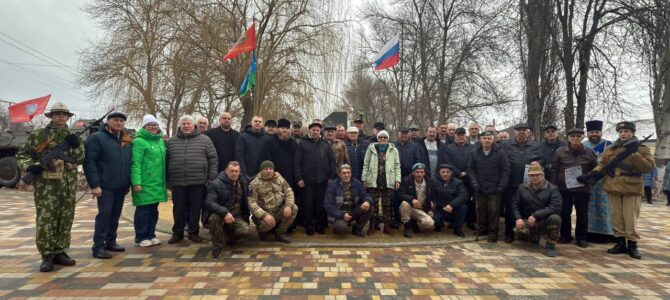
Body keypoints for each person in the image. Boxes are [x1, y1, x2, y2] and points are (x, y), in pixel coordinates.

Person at [16, 102, 84, 272]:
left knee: (66, 217)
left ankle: (60, 251)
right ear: (51, 116)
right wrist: (30, 166)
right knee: (46, 219)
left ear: (68, 117)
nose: (61, 116)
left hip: (67, 184)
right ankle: (46, 254)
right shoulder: (39, 135)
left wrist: (75, 146)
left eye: (64, 114)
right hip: (46, 185)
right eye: (57, 113)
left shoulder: (73, 136)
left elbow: (80, 158)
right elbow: (22, 154)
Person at [578, 121, 655, 259]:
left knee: (630, 217)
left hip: (631, 186)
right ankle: (620, 242)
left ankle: (632, 244)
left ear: (632, 133)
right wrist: (591, 174)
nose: (623, 134)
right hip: (613, 185)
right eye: (621, 132)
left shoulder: (641, 148)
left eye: (626, 131)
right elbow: (603, 164)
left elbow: (648, 168)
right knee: (616, 217)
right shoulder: (612, 148)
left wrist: (634, 154)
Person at [84, 111, 132, 259]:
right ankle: (98, 246)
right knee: (104, 215)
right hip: (105, 186)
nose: (119, 123)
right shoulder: (97, 138)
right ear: (108, 121)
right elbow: (89, 162)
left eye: (122, 121)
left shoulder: (125, 139)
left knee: (115, 215)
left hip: (121, 185)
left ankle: (111, 241)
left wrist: (128, 182)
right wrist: (95, 184)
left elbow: (128, 162)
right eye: (116, 120)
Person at [166, 115, 218, 244]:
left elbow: (213, 159)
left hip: (198, 181)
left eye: (188, 123)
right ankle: (177, 233)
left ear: (193, 125)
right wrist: (168, 180)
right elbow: (166, 162)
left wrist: (211, 177)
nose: (186, 126)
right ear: (180, 126)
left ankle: (193, 232)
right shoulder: (172, 141)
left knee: (196, 209)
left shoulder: (205, 140)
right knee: (178, 209)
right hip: (178, 181)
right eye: (183, 124)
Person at [549, 128, 597, 248]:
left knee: (582, 213)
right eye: (573, 136)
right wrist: (554, 186)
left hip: (583, 189)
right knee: (565, 212)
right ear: (568, 138)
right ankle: (565, 235)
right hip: (564, 188)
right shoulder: (560, 152)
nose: (575, 138)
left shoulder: (589, 152)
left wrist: (588, 180)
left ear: (582, 137)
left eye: (578, 136)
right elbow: (554, 169)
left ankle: (581, 238)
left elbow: (596, 171)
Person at [500, 123, 542, 243]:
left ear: (528, 132)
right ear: (515, 132)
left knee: (528, 207)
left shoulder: (535, 145)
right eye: (519, 130)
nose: (522, 132)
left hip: (529, 184)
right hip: (510, 182)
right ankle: (509, 234)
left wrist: (538, 162)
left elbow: (542, 159)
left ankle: (527, 233)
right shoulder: (506, 144)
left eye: (524, 130)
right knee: (509, 209)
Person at [130, 115, 167, 248]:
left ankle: (151, 234)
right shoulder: (139, 141)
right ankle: (140, 237)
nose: (153, 127)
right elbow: (135, 163)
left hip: (157, 182)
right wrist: (136, 182)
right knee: (143, 210)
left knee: (153, 210)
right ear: (144, 126)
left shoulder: (160, 141)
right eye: (150, 125)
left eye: (155, 125)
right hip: (144, 182)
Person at [467, 131, 510, 243]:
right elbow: (470, 169)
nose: (486, 140)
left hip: (495, 187)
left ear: (493, 140)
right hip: (479, 187)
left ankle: (493, 232)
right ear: (480, 140)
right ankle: (482, 229)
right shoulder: (474, 152)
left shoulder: (500, 152)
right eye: (484, 138)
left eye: (489, 138)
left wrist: (502, 185)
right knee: (480, 210)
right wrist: (474, 183)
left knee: (494, 211)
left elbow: (506, 169)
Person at [511, 163, 562, 257]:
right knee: (518, 230)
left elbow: (555, 207)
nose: (535, 177)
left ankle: (551, 245)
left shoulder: (553, 189)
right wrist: (518, 218)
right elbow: (515, 204)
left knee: (555, 218)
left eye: (537, 175)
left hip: (544, 221)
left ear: (542, 175)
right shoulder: (522, 187)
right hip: (528, 220)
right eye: (532, 175)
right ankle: (534, 236)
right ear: (529, 176)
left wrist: (536, 215)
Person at [294, 122, 336, 235]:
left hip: (323, 181)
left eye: (318, 130)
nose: (315, 132)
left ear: (320, 132)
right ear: (309, 131)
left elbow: (332, 161)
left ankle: (320, 225)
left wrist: (331, 177)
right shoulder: (302, 144)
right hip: (307, 181)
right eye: (313, 130)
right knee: (307, 205)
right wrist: (299, 178)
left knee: (320, 205)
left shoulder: (325, 144)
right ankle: (309, 226)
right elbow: (297, 163)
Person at [204, 161, 250, 258]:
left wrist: (269, 173)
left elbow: (254, 179)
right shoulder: (216, 183)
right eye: (231, 171)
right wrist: (225, 213)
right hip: (220, 214)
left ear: (239, 171)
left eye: (236, 171)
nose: (234, 173)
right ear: (226, 171)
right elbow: (209, 203)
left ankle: (227, 234)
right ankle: (217, 246)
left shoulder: (243, 180)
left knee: (245, 229)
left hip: (235, 215)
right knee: (215, 218)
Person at [248, 161, 298, 243]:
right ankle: (262, 232)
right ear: (261, 171)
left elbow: (288, 191)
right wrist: (264, 215)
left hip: (277, 211)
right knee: (267, 225)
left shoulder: (279, 178)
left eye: (271, 168)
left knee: (294, 208)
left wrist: (288, 205)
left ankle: (280, 233)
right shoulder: (254, 184)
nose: (269, 171)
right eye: (266, 169)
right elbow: (251, 203)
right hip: (264, 215)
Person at [362, 130, 401, 235]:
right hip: (374, 180)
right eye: (380, 137)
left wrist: (397, 179)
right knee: (373, 204)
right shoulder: (371, 149)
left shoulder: (393, 150)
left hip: (388, 180)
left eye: (385, 137)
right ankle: (372, 225)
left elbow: (397, 165)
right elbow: (365, 164)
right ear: (377, 139)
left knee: (387, 205)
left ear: (388, 139)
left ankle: (387, 226)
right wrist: (364, 179)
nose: (382, 139)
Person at [582, 120, 614, 243]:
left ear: (600, 132)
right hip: (588, 181)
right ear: (588, 133)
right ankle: (589, 232)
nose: (594, 134)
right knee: (588, 208)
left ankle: (608, 233)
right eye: (591, 132)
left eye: (596, 132)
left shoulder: (609, 145)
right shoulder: (583, 145)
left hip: (604, 181)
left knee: (606, 208)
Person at [440, 127, 476, 230]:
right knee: (455, 200)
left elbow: (473, 162)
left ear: (466, 136)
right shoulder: (449, 148)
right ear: (455, 136)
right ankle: (454, 221)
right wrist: (458, 172)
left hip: (469, 178)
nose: (460, 137)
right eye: (458, 135)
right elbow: (447, 161)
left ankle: (470, 221)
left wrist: (466, 172)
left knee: (470, 200)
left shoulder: (472, 148)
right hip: (454, 178)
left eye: (462, 135)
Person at [323, 164, 373, 237]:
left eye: (348, 172)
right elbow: (328, 204)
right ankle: (339, 225)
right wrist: (342, 215)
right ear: (339, 174)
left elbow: (365, 195)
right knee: (341, 229)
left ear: (351, 173)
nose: (346, 175)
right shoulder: (332, 185)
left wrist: (367, 201)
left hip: (352, 212)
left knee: (369, 207)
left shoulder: (357, 183)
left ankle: (357, 229)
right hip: (339, 214)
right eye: (344, 173)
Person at [430, 164, 469, 237]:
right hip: (438, 208)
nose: (445, 174)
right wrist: (431, 201)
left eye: (448, 172)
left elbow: (464, 195)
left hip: (452, 209)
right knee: (436, 219)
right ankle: (438, 224)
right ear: (439, 172)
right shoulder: (433, 181)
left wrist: (451, 205)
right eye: (443, 172)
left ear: (451, 173)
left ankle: (457, 228)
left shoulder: (458, 182)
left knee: (463, 207)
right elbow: (428, 193)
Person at [398, 163, 435, 238]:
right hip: (409, 207)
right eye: (417, 172)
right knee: (404, 204)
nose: (419, 174)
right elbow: (400, 194)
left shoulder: (430, 182)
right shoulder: (406, 180)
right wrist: (411, 199)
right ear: (413, 173)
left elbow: (434, 194)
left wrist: (432, 203)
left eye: (421, 172)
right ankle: (407, 227)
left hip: (422, 209)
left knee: (429, 224)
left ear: (424, 173)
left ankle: (415, 223)